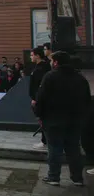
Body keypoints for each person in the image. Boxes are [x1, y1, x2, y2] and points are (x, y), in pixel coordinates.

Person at [35, 51, 91, 187]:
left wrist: (39, 114)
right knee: (74, 149)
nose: (50, 62)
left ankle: (54, 177)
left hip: (53, 120)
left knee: (55, 148)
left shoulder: (50, 77)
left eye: (51, 60)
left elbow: (41, 98)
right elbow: (87, 100)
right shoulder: (80, 79)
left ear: (56, 62)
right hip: (75, 120)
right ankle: (77, 178)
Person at [29, 46, 52, 150]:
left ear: (37, 56)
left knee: (43, 120)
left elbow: (39, 85)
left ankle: (45, 141)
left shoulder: (42, 68)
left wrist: (35, 98)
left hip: (39, 98)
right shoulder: (40, 67)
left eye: (32, 55)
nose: (31, 57)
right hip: (38, 97)